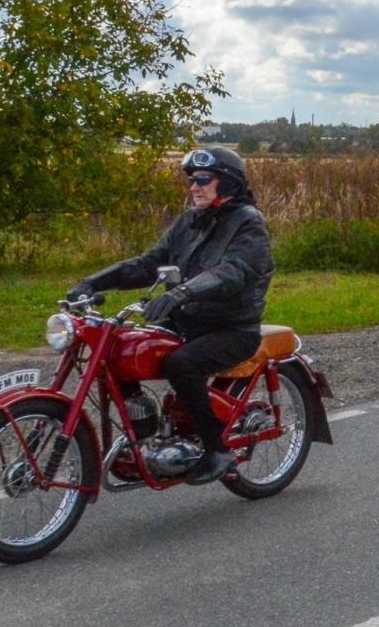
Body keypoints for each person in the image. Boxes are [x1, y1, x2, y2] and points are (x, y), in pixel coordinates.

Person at [68, 147, 275, 485]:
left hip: (232, 327)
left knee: (182, 365)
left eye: (203, 179)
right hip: (186, 323)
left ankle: (215, 449)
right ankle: (146, 434)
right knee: (121, 349)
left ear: (228, 183)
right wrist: (93, 282)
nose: (194, 186)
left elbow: (233, 271)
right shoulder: (190, 220)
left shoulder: (249, 223)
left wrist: (183, 292)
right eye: (192, 180)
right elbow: (150, 264)